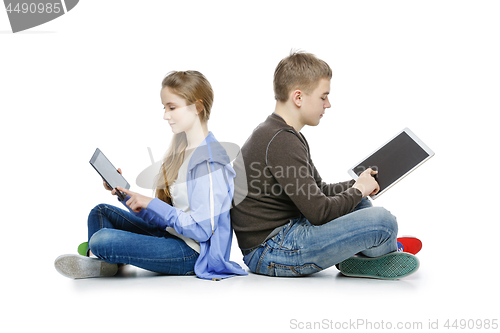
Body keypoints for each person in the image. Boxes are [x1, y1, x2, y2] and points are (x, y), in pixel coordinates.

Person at [230, 51, 420, 279]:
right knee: (384, 222)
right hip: (272, 251)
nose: (328, 104)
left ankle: (366, 255)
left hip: (285, 236)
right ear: (298, 97)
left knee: (360, 203)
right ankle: (381, 251)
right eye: (323, 97)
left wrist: (358, 184)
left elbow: (317, 190)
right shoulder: (280, 140)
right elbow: (319, 212)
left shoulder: (283, 134)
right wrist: (358, 190)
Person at [55, 70, 247, 280]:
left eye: (172, 108)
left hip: (193, 253)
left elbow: (201, 230)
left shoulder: (210, 162)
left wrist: (150, 203)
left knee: (101, 240)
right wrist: (130, 197)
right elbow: (169, 218)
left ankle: (99, 258)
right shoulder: (183, 151)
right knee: (100, 212)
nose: (166, 115)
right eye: (165, 108)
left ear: (198, 107)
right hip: (172, 235)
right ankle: (102, 263)